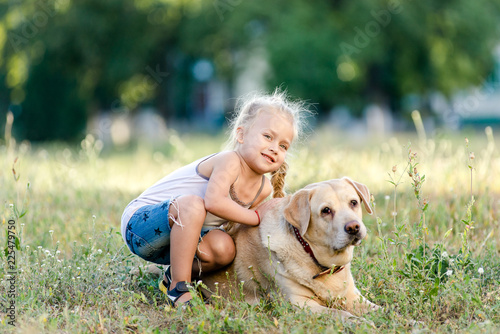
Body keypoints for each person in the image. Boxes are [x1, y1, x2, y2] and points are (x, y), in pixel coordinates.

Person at [120, 89, 308, 307]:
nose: (274, 148)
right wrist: (256, 217)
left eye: (283, 146)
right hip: (141, 227)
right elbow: (214, 202)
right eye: (267, 136)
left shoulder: (263, 188)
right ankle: (179, 288)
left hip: (180, 243)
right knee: (192, 205)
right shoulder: (230, 161)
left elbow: (241, 231)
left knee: (225, 247)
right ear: (241, 135)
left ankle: (172, 274)